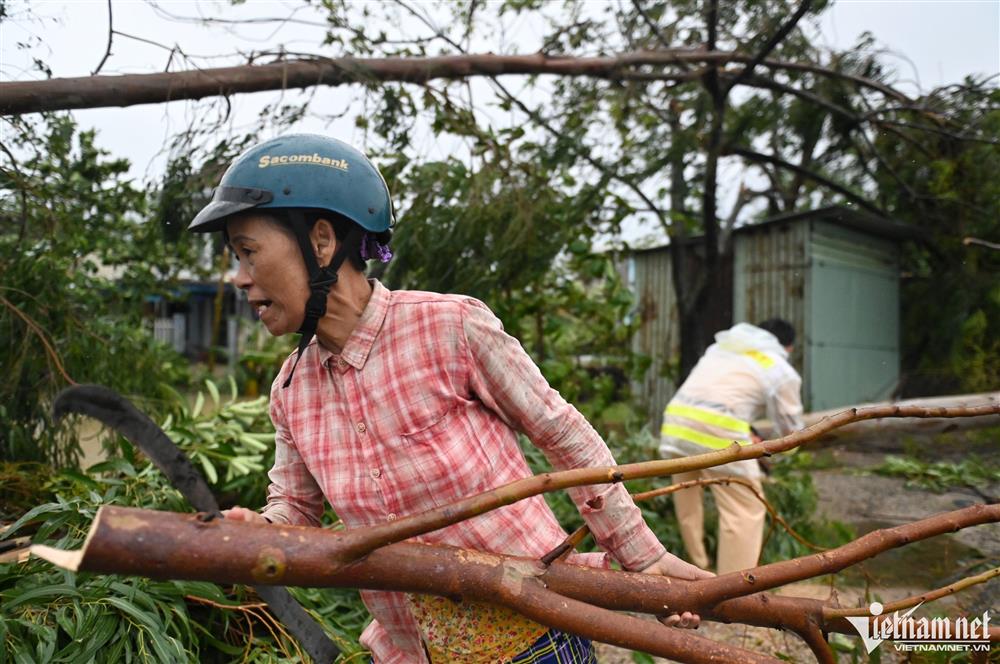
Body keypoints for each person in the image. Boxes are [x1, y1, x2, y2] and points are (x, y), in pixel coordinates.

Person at [188, 134, 711, 664]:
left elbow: (564, 436)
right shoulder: (292, 389)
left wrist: (643, 560)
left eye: (248, 252)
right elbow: (295, 511)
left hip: (531, 640)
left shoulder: (450, 327)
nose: (238, 278)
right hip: (413, 650)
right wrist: (261, 533)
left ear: (321, 241)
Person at [658, 320, 804, 576]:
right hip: (719, 437)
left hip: (676, 426)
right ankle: (731, 591)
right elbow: (792, 431)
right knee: (745, 511)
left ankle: (696, 569)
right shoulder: (779, 368)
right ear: (788, 348)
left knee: (687, 501)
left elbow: (719, 398)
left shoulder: (722, 348)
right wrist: (780, 452)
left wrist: (749, 433)